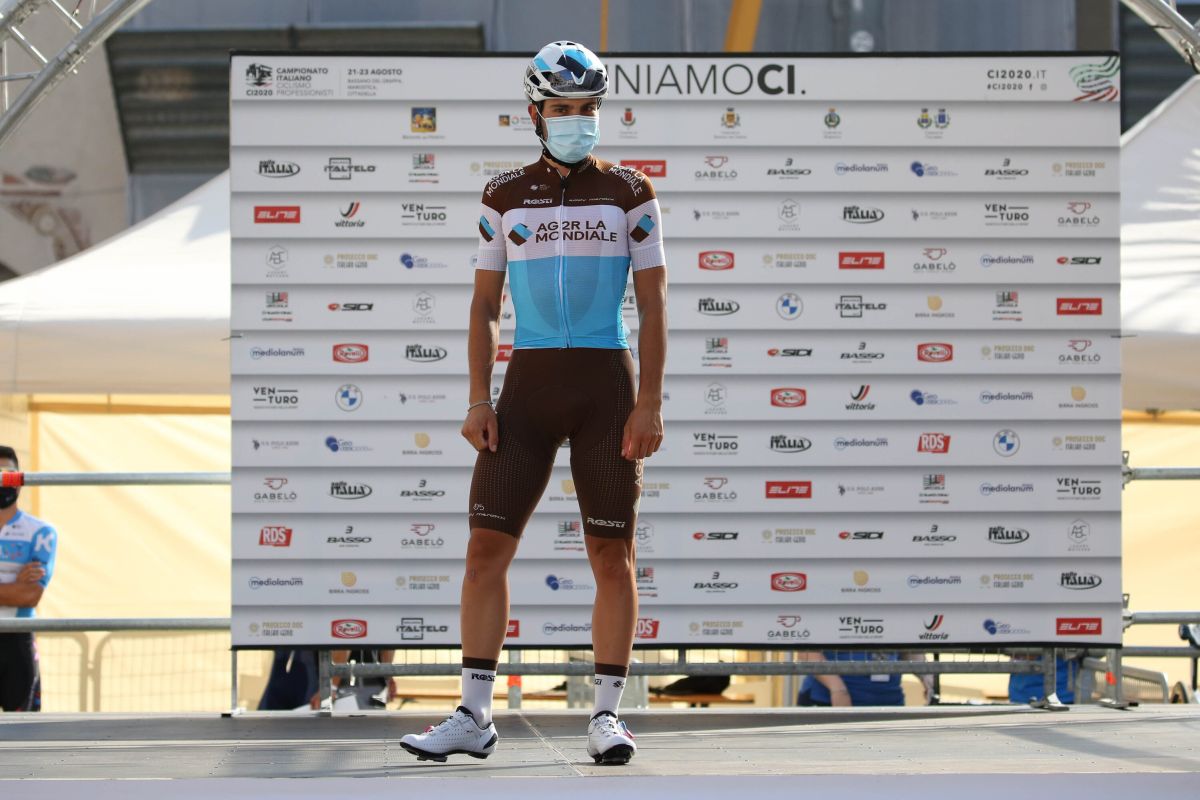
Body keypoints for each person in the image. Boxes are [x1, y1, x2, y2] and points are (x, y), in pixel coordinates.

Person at [400, 40, 667, 765]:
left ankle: (606, 716)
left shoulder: (631, 190)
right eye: (562, 108)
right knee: (485, 549)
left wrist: (649, 401)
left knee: (611, 553)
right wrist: (476, 399)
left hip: (605, 383)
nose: (577, 119)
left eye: (588, 108)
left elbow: (653, 302)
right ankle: (474, 715)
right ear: (535, 114)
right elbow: (485, 305)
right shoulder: (504, 194)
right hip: (528, 386)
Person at [0, 445, 58, 712]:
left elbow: (30, 595)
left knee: (24, 728)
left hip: (17, 639)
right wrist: (15, 585)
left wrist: (22, 590)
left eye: (8, 473)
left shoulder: (41, 531)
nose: (3, 480)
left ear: (20, 478)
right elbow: (20, 591)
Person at [796, 651, 935, 707]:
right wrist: (838, 690)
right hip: (829, 703)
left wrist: (925, 675)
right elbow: (806, 653)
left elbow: (907, 649)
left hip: (889, 703)